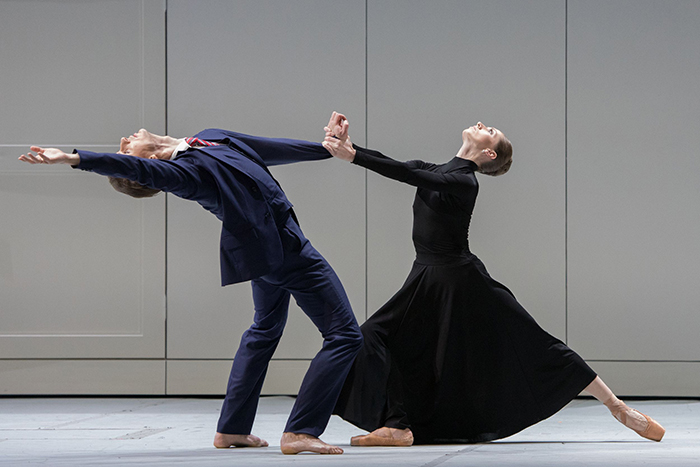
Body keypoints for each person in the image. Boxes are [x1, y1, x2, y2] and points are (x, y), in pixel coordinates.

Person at [321, 111, 665, 446]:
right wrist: (351, 148)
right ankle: (398, 425)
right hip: (425, 277)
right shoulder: (436, 169)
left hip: (462, 280)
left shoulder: (463, 181)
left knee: (532, 340)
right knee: (373, 337)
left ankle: (617, 408)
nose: (483, 124)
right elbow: (400, 166)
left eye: (492, 131)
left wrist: (352, 157)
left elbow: (407, 176)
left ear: (489, 153)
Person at [18, 128, 363, 455]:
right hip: (288, 253)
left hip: (267, 251)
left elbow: (266, 148)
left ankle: (232, 428)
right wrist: (74, 159)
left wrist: (329, 150)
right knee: (345, 335)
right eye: (125, 149)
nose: (124, 139)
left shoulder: (209, 137)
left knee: (265, 329)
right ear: (149, 166)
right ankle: (301, 431)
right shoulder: (185, 175)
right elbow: (133, 167)